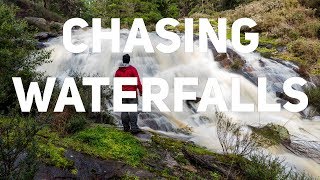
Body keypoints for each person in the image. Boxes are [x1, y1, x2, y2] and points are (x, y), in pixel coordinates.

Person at [115, 54, 143, 134]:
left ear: (123, 60)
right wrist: (141, 91)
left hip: (122, 93)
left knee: (124, 110)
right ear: (129, 60)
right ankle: (134, 128)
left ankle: (126, 127)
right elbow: (137, 81)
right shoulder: (132, 69)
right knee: (133, 110)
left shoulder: (118, 71)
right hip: (132, 92)